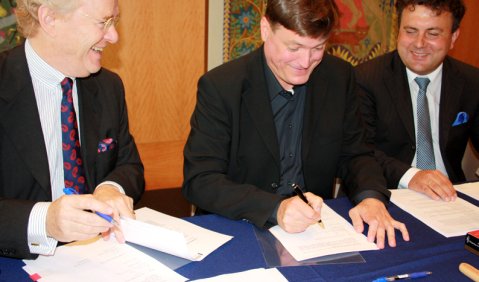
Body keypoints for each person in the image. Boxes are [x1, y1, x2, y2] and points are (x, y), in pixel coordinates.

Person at [183, 0, 409, 249]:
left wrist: (370, 197)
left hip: (313, 234)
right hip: (240, 228)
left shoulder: (338, 77)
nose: (305, 62)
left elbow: (356, 153)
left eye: (318, 48)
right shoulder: (221, 86)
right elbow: (201, 180)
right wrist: (275, 208)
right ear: (266, 29)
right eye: (295, 47)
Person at [0, 0, 144, 259]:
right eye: (103, 22)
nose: (113, 36)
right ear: (50, 19)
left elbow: (128, 165)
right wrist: (46, 221)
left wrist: (110, 188)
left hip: (98, 261)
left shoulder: (108, 86)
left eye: (114, 22)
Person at [355, 0, 479, 201]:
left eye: (433, 33)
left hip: (450, 197)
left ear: (453, 37)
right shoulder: (365, 79)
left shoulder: (472, 81)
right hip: (386, 193)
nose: (419, 43)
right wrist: (413, 176)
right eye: (411, 31)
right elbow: (359, 151)